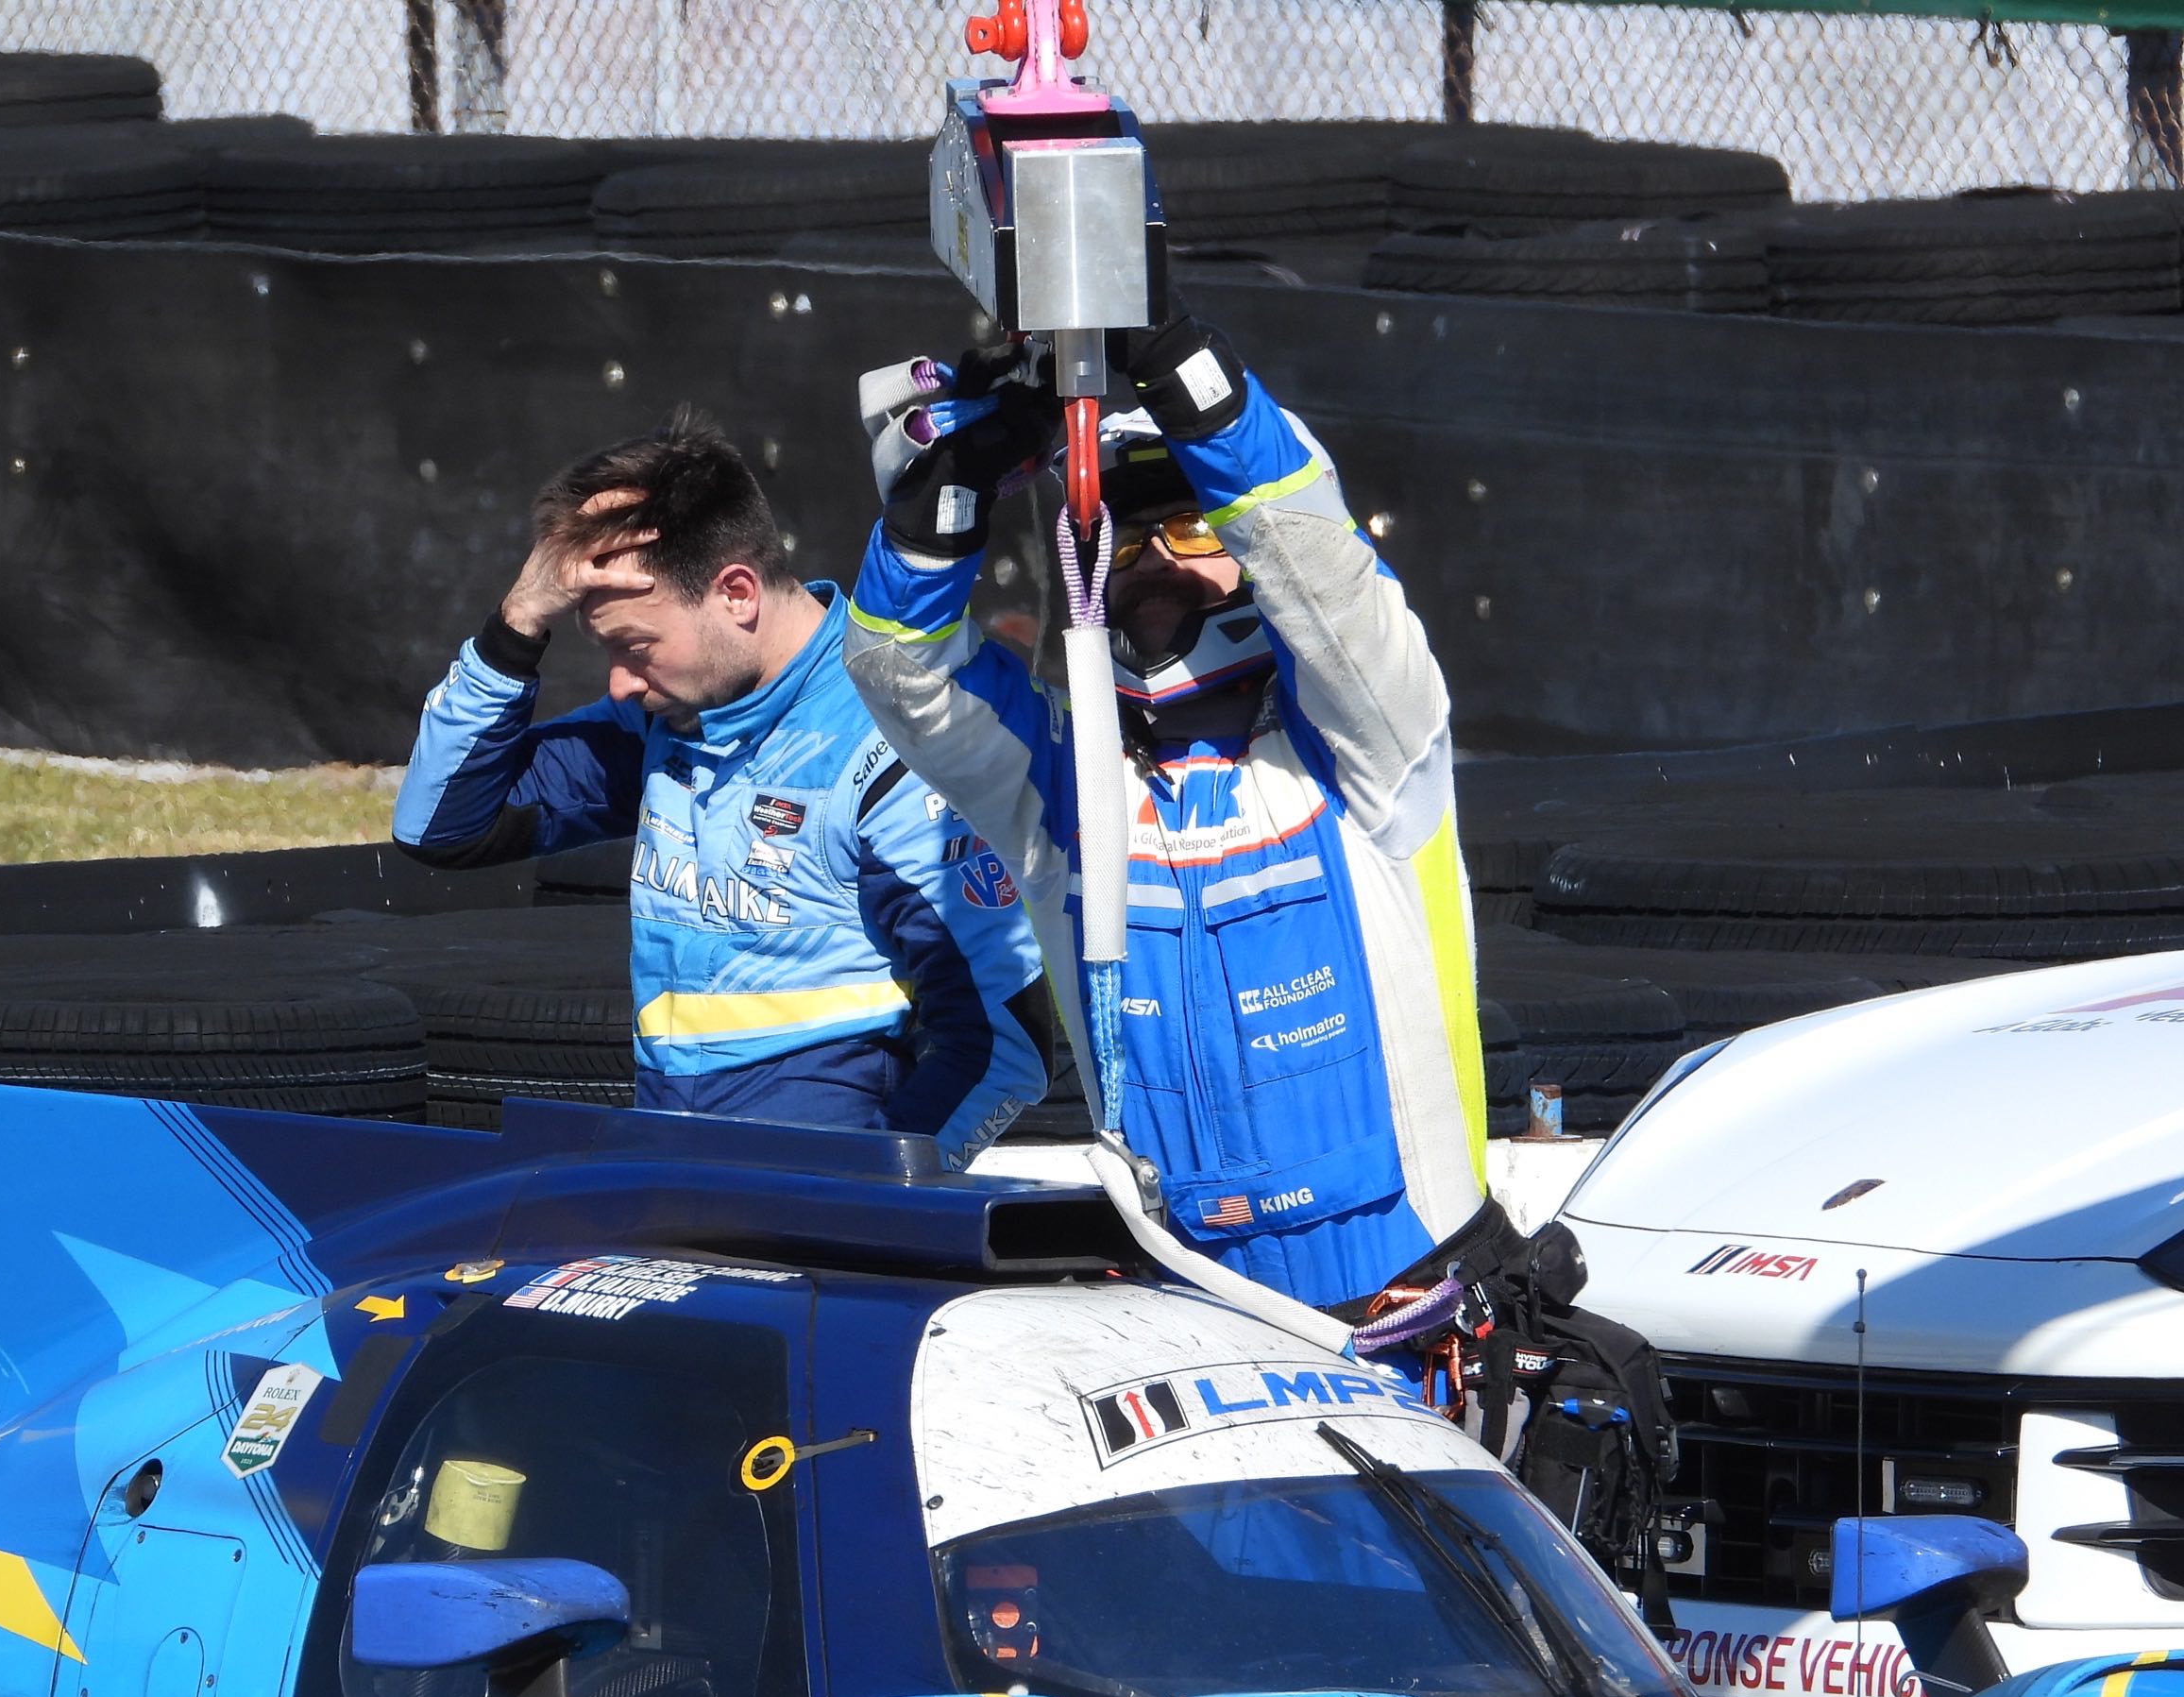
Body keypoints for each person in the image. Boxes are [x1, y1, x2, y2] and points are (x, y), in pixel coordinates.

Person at [840, 319, 1503, 1329]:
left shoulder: (1372, 748)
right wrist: (957, 484)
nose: (1153, 554)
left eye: (1193, 525)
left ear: (1247, 546)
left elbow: (1325, 574)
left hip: (1415, 1312)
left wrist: (1173, 349)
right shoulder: (1066, 792)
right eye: (1124, 533)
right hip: (1189, 1321)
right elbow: (901, 669)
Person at [394, 410, 1052, 1166]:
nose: (618, 680)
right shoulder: (668, 716)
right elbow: (441, 828)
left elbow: (1007, 1040)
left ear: (737, 593)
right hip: (670, 1168)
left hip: (818, 1216)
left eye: (635, 647)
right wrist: (516, 625)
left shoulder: (893, 738)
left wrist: (873, 1199)